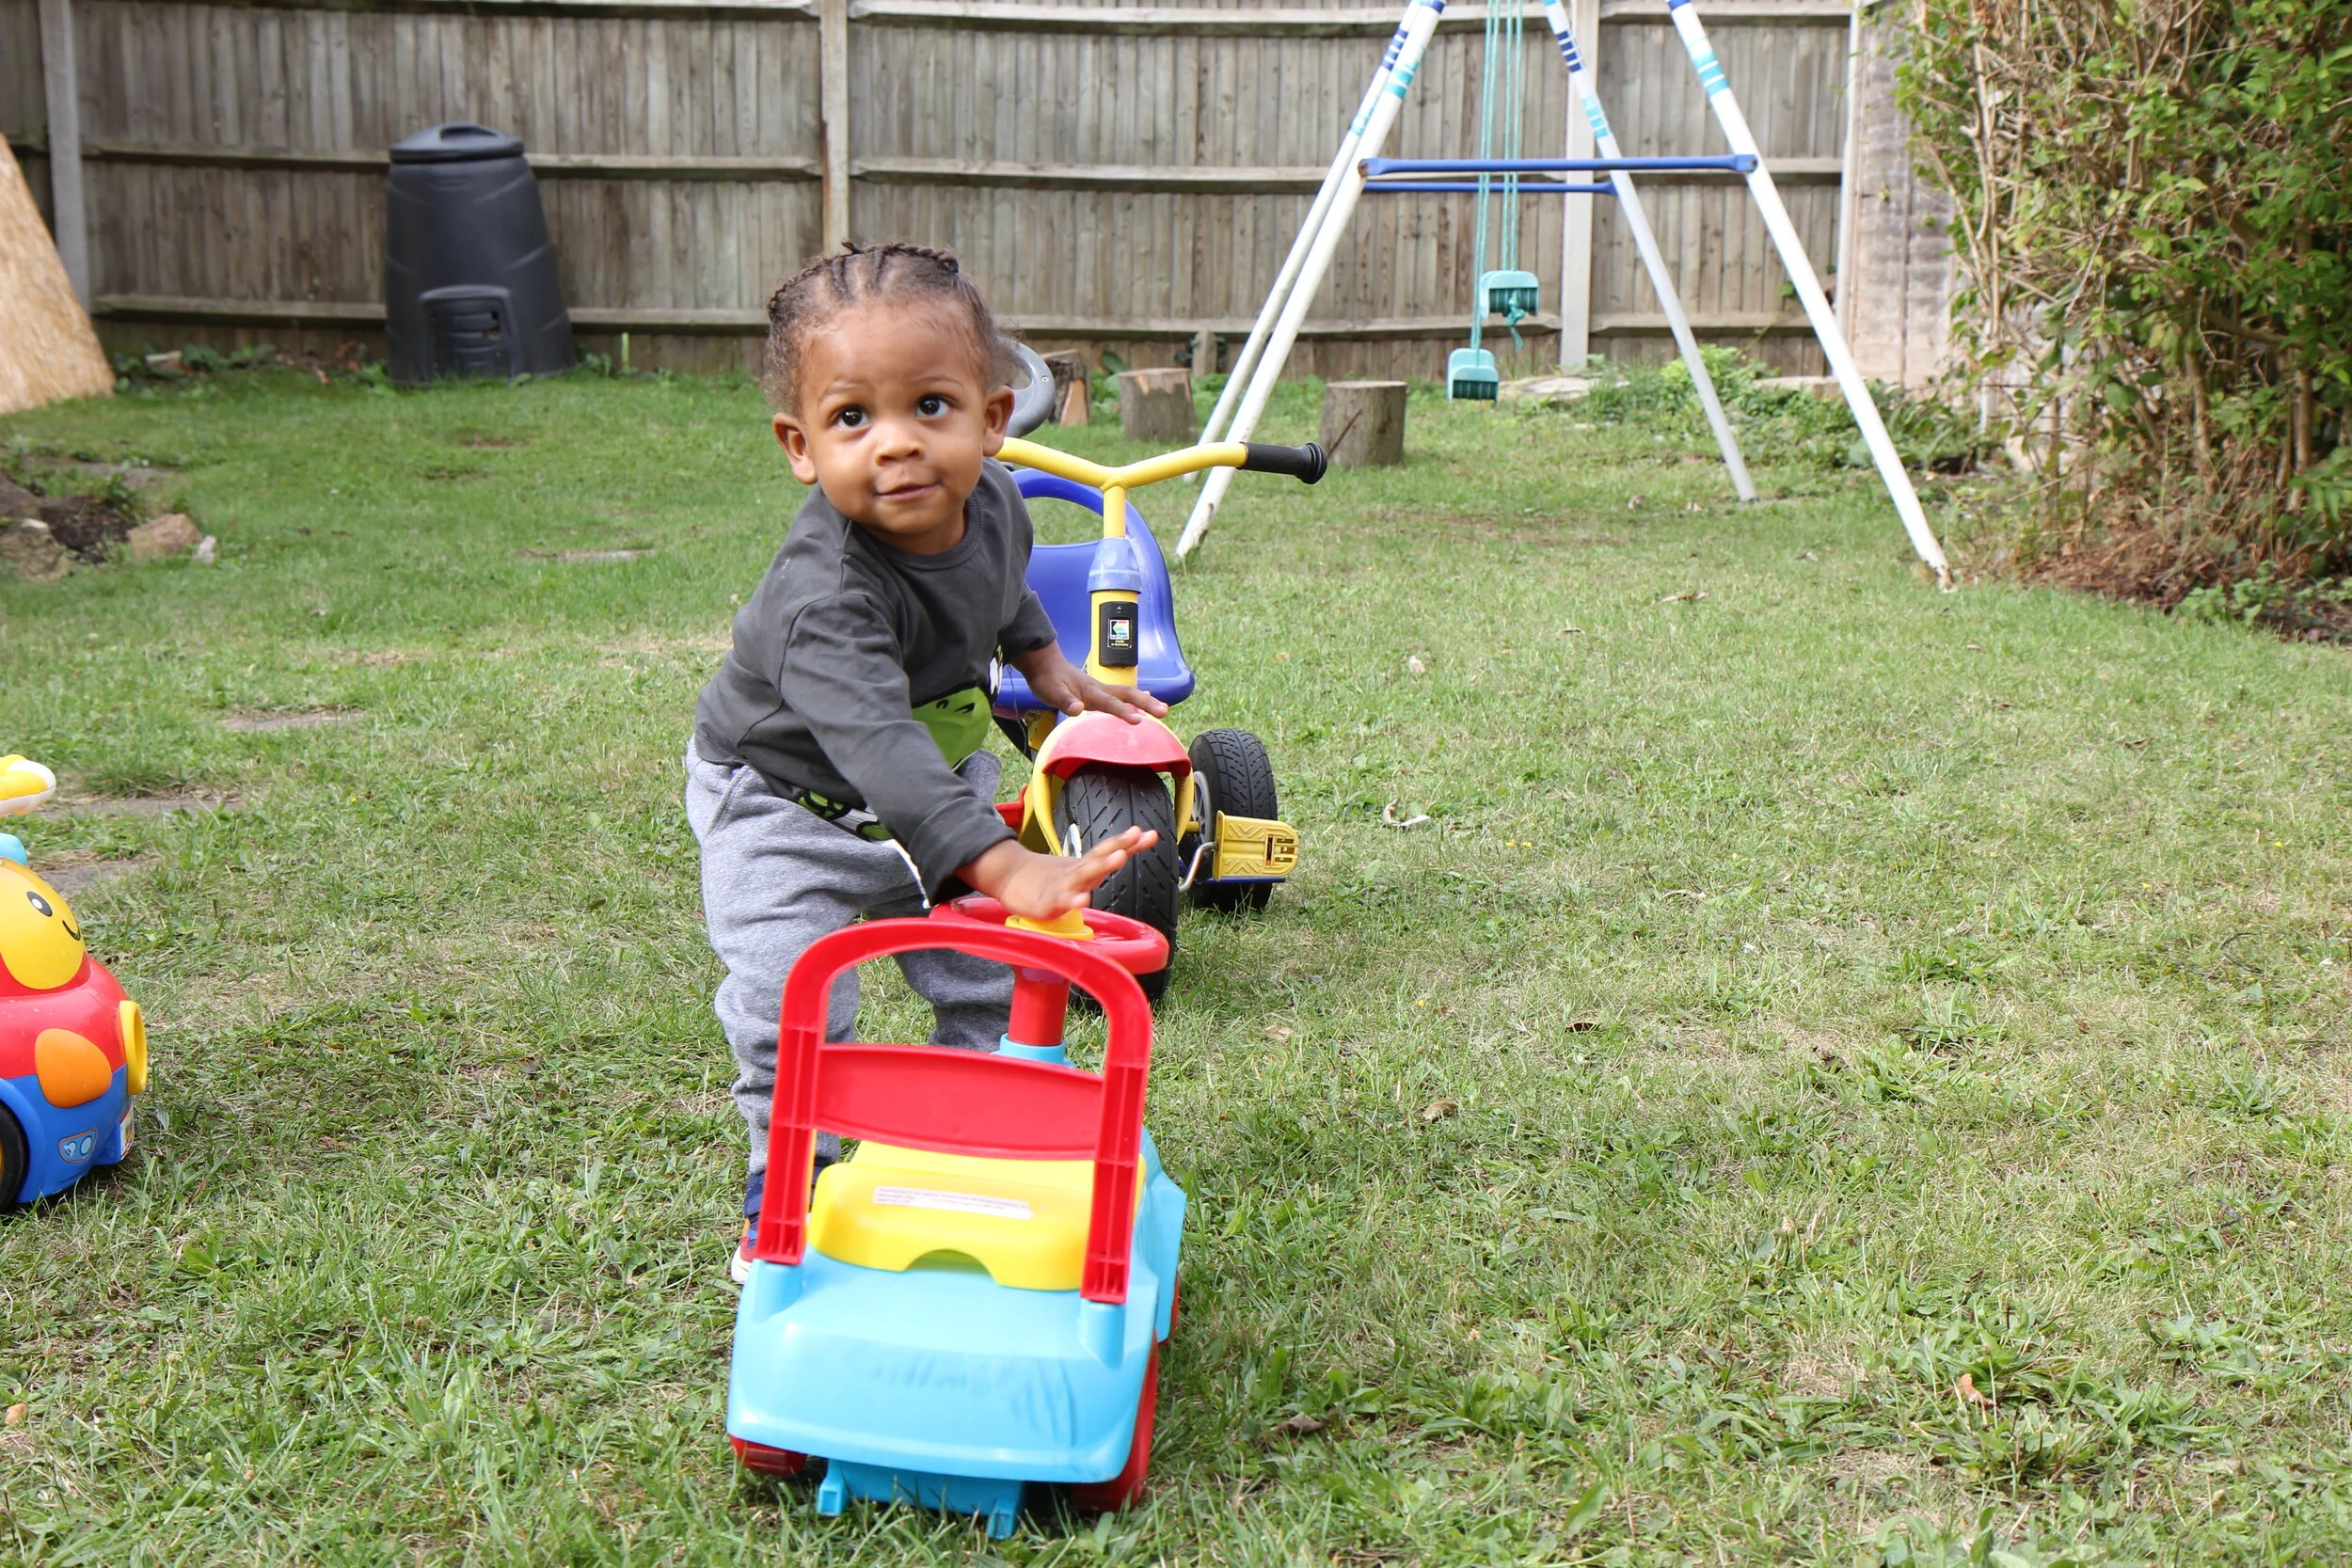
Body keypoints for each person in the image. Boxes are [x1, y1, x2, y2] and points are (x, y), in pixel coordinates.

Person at [689, 242, 1165, 1282]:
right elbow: (881, 755)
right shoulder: (828, 597)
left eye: (931, 407)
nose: (897, 445)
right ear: (801, 444)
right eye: (853, 417)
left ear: (992, 420)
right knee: (789, 1003)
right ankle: (791, 1185)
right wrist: (1008, 865)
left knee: (982, 976)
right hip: (786, 805)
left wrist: (1044, 662)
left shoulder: (992, 501)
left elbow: (1000, 586)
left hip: (930, 788)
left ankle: (957, 1140)